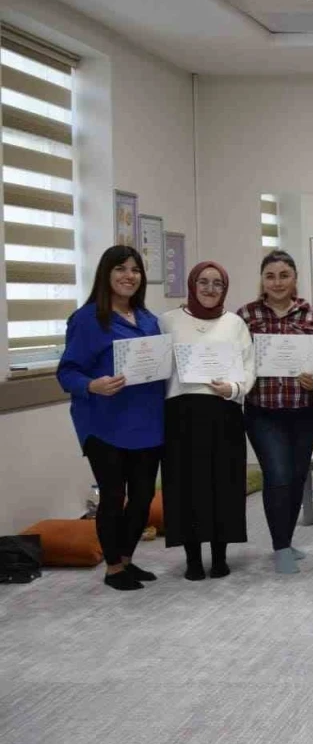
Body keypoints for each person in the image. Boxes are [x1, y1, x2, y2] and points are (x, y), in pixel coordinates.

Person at [56, 246, 166, 591]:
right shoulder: (87, 319)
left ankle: (128, 559)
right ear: (106, 273)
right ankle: (114, 568)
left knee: (143, 497)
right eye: (121, 269)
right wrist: (92, 385)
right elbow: (66, 372)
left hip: (148, 422)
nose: (129, 276)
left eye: (135, 270)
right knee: (113, 495)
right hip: (104, 423)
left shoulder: (148, 319)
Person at [160, 261, 255, 581]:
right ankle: (192, 559)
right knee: (186, 486)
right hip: (181, 414)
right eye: (203, 282)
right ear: (192, 285)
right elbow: (157, 366)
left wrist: (234, 389)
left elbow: (248, 366)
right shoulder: (168, 321)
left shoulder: (235, 323)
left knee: (223, 484)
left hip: (223, 411)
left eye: (218, 283)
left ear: (225, 288)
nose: (210, 289)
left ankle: (219, 557)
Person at [237, 250, 313, 574]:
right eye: (270, 276)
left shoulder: (312, 314)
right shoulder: (245, 316)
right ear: (262, 280)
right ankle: (280, 547)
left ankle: (286, 539)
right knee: (277, 475)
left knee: (298, 476)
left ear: (295, 278)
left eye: (284, 275)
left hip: (305, 411)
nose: (277, 282)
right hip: (264, 411)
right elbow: (235, 359)